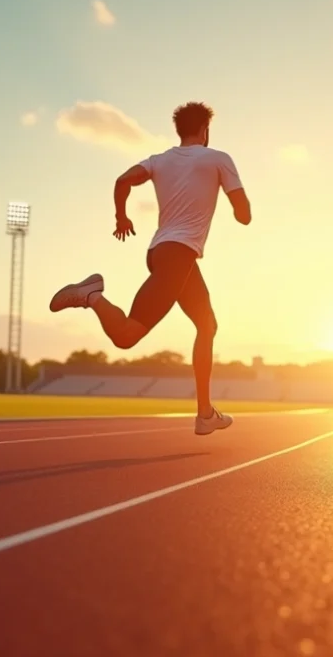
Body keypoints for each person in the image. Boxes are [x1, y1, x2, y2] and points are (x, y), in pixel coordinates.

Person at [48, 101, 251, 435]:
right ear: (205, 130)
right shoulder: (218, 159)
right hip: (177, 256)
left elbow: (123, 181)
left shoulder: (159, 161)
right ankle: (91, 296)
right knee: (126, 336)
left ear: (180, 129)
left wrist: (121, 217)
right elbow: (243, 215)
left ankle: (205, 414)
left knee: (207, 324)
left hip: (163, 252)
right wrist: (237, 204)